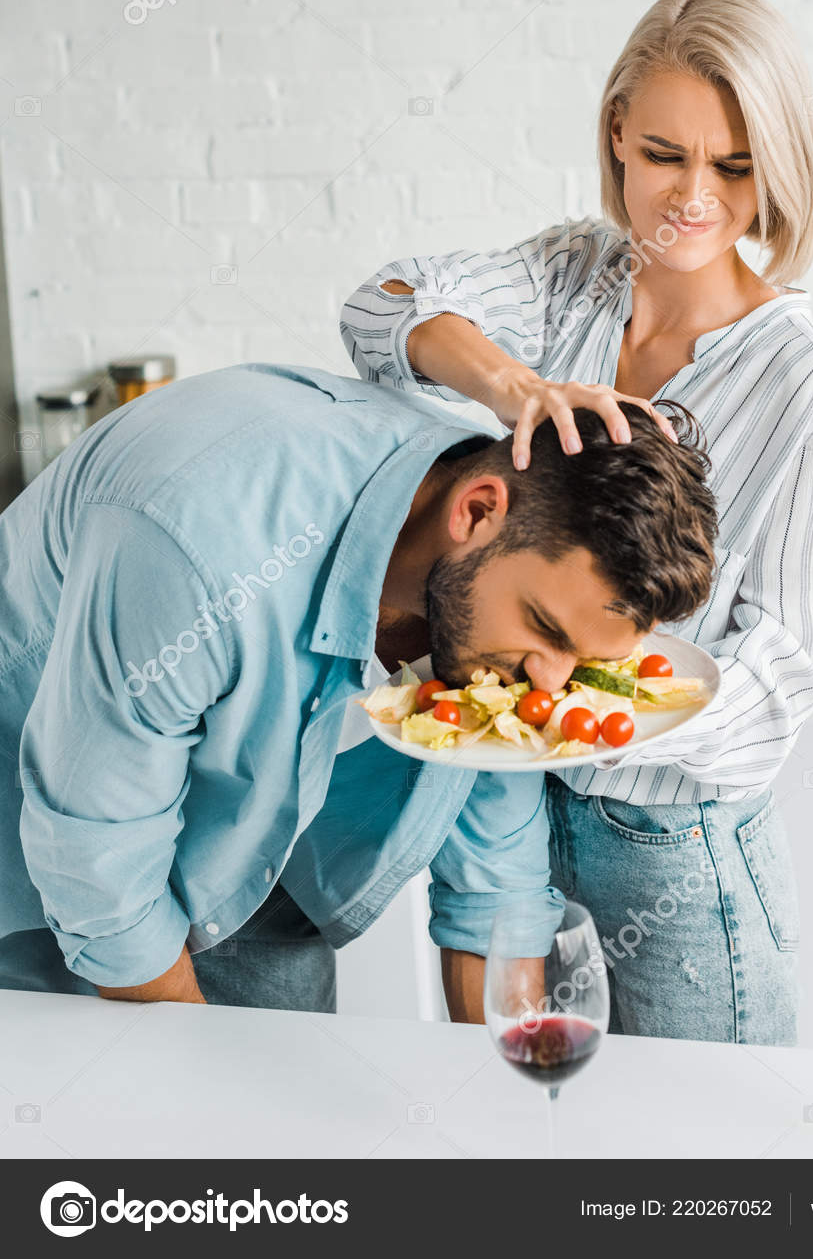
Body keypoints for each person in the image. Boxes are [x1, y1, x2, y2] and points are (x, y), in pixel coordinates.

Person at [341, 0, 813, 1044]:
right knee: (545, 1138)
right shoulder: (571, 276)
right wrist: (510, 388)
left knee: (710, 1168)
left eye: (733, 166)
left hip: (670, 837)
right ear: (618, 126)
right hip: (516, 817)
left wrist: (594, 702)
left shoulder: (797, 371)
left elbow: (787, 669)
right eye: (666, 152)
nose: (691, 197)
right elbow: (379, 305)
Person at [0, 360, 716, 1014]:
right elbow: (99, 863)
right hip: (41, 858)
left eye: (580, 661)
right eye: (545, 630)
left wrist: (513, 1107)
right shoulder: (205, 549)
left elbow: (496, 887)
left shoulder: (501, 557)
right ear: (475, 511)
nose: (549, 688)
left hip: (248, 853)